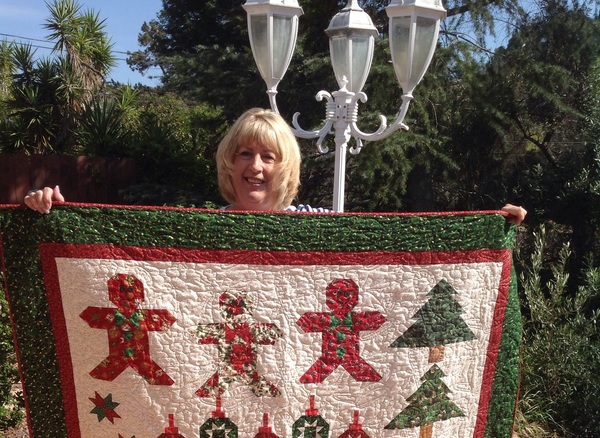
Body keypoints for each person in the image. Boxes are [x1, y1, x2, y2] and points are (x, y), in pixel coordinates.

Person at [23, 107, 527, 224]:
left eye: (269, 156)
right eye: (245, 153)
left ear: (285, 169)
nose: (256, 167)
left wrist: (484, 226)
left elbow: (398, 244)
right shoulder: (200, 228)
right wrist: (52, 214)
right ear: (229, 163)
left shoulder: (319, 225)